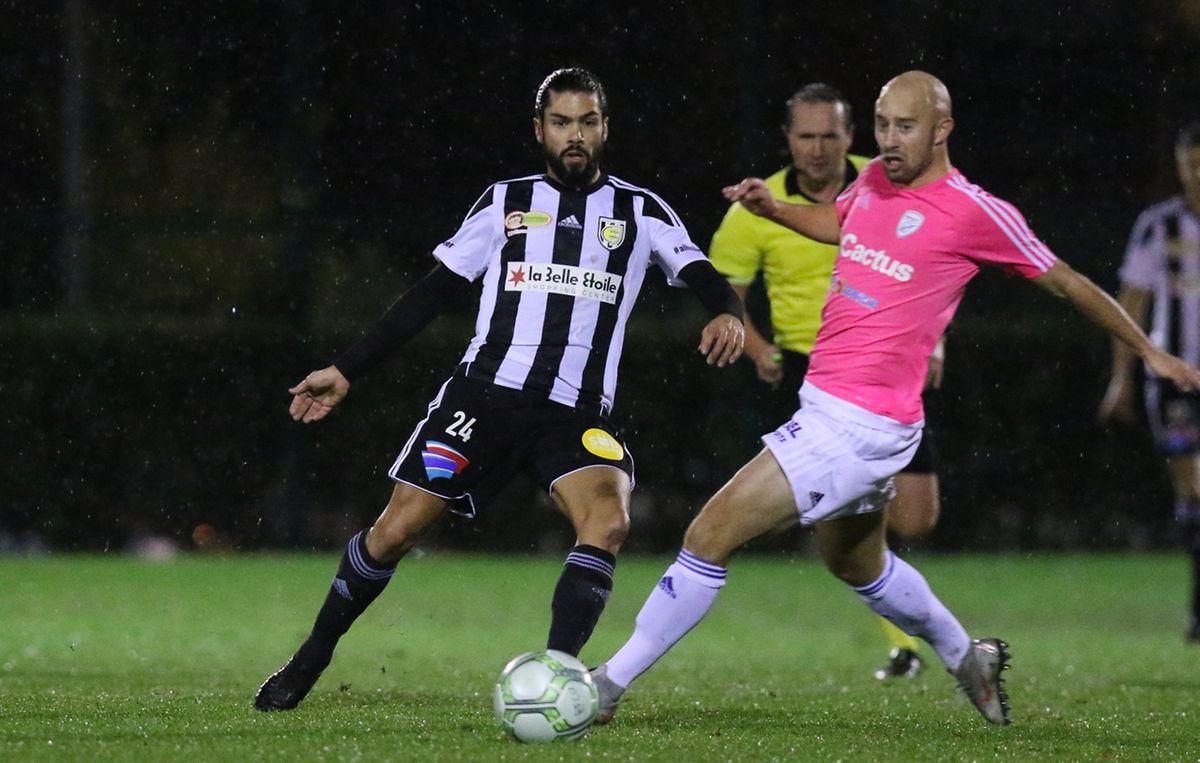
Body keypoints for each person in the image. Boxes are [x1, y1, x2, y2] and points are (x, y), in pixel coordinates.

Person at [587, 70, 1200, 728]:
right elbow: (841, 223)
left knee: (707, 534)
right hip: (843, 413)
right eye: (881, 126)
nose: (888, 141)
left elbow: (1068, 282)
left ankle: (603, 685)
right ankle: (969, 658)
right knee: (856, 559)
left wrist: (1149, 352)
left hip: (857, 423)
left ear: (942, 130)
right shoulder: (875, 180)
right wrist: (776, 211)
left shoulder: (974, 210)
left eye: (904, 127)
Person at [253, 67, 746, 711]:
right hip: (482, 399)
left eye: (588, 122)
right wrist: (347, 369)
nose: (576, 136)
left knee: (608, 520)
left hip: (573, 415)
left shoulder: (640, 212)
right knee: (396, 530)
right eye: (563, 123)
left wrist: (728, 311)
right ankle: (312, 654)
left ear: (605, 129)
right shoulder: (504, 201)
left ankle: (560, 682)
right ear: (540, 130)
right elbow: (430, 294)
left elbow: (703, 274)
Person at [708, 82, 939, 679]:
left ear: (850, 136)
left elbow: (937, 258)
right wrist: (757, 347)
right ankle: (906, 644)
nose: (817, 149)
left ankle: (896, 594)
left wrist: (934, 340)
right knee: (841, 518)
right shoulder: (753, 212)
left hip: (889, 367)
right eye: (805, 136)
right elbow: (724, 295)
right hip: (811, 372)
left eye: (828, 136)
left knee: (917, 516)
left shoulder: (883, 182)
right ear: (788, 139)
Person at [1099, 122, 1200, 643]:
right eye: (1191, 168)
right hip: (1176, 383)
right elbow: (1130, 307)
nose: (1198, 177)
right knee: (1193, 486)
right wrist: (1122, 380)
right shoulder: (1157, 227)